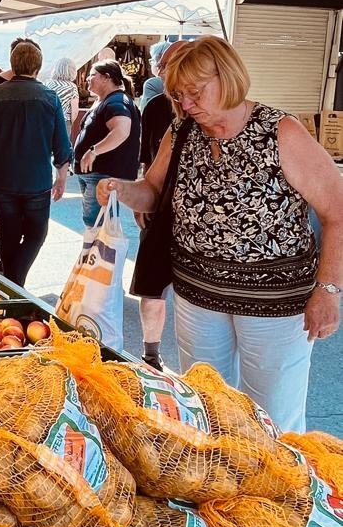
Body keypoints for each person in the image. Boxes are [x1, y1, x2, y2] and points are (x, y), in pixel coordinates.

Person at [96, 36, 343, 433]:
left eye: (195, 92)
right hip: (197, 296)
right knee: (207, 407)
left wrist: (328, 291)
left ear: (227, 78)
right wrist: (121, 190)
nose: (187, 103)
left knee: (273, 419)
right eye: (179, 95)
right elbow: (153, 191)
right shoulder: (182, 130)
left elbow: (337, 212)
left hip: (274, 304)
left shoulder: (279, 131)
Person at [0, 39, 72, 286]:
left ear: (13, 64)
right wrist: (61, 178)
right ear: (38, 67)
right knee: (36, 234)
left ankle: (12, 283)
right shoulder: (50, 98)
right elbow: (62, 146)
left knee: (7, 235)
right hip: (37, 181)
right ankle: (16, 283)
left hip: (2, 179)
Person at [136, 41, 184, 369]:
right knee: (151, 286)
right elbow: (147, 159)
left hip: (195, 220)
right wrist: (142, 196)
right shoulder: (155, 107)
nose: (164, 72)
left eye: (169, 65)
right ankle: (151, 354)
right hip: (158, 209)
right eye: (163, 66)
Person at [74, 60, 141, 227]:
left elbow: (121, 130)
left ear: (106, 78)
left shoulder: (117, 101)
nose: (87, 79)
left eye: (92, 75)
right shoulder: (108, 100)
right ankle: (94, 245)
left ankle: (96, 245)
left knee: (97, 223)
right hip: (96, 173)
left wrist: (94, 151)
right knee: (96, 222)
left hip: (102, 173)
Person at [49, 57, 80, 138]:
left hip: (47, 120)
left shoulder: (47, 83)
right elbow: (75, 111)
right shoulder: (72, 87)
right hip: (63, 122)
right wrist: (70, 124)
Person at [141, 40, 172, 111]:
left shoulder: (152, 84)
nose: (151, 63)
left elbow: (146, 113)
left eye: (152, 60)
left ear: (159, 62)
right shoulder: (183, 80)